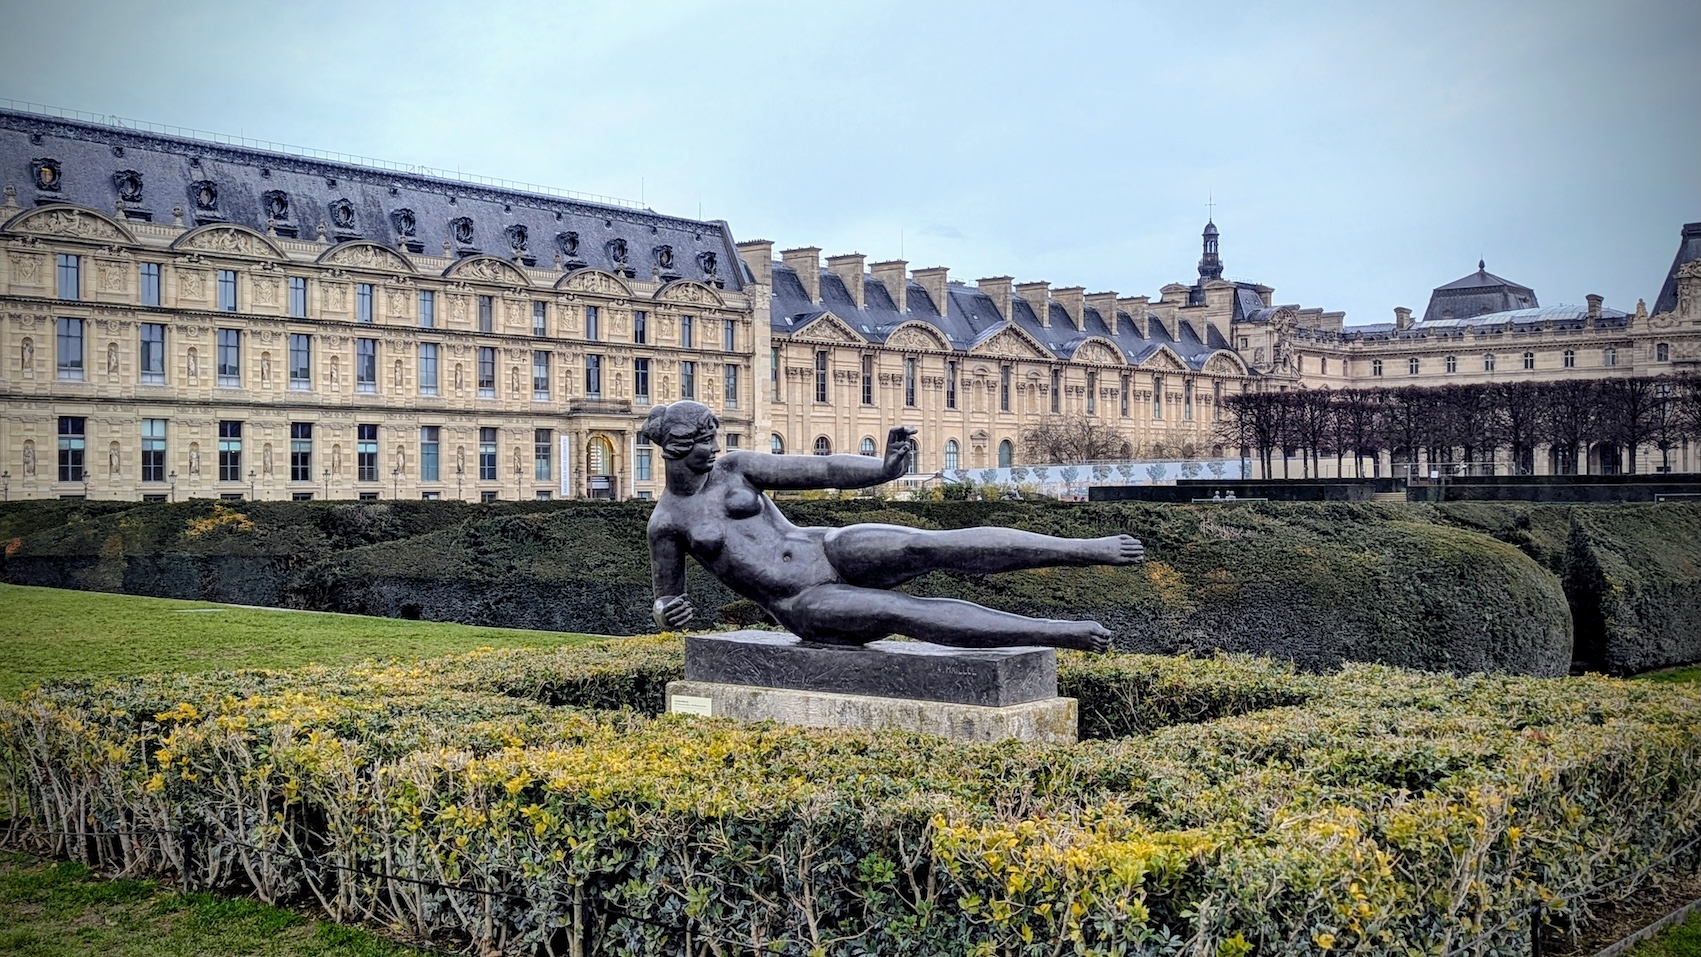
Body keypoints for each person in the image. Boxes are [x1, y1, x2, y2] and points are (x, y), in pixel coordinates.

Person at [644, 401, 1142, 652]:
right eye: (704, 442)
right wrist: (671, 613)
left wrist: (881, 470)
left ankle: (1086, 548)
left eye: (714, 438)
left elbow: (824, 472)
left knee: (930, 545)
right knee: (901, 610)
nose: (714, 448)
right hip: (801, 603)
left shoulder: (737, 468)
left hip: (828, 548)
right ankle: (1060, 633)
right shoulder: (667, 521)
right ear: (675, 448)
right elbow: (666, 598)